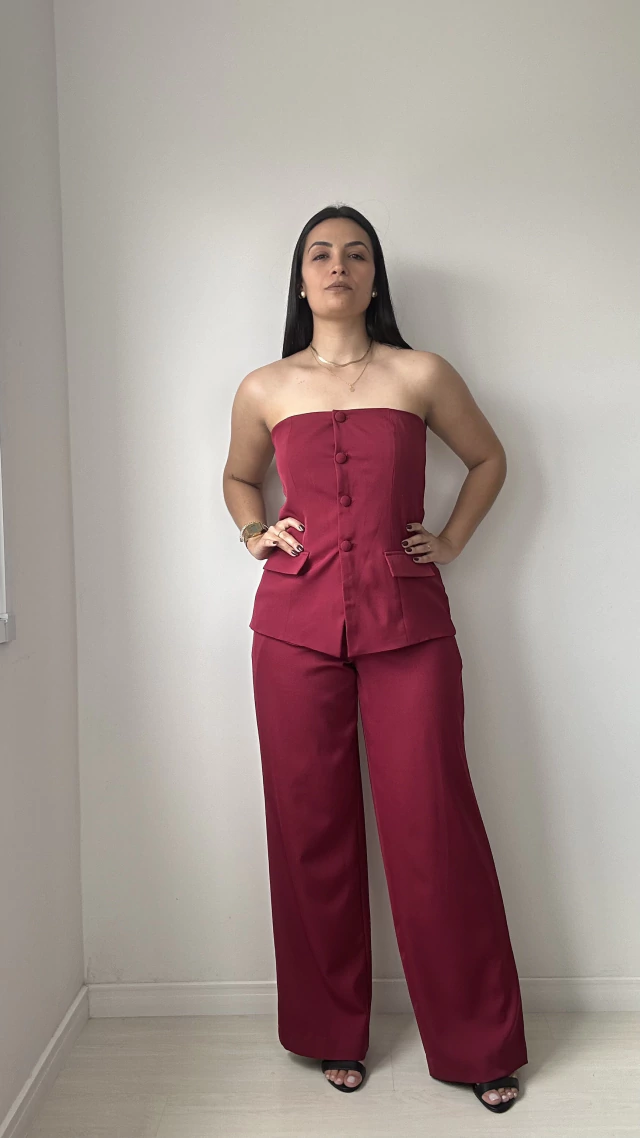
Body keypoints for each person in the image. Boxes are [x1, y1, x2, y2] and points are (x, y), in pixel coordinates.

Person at [222, 204, 527, 1114]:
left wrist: (452, 540)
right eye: (321, 253)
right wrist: (254, 532)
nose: (338, 266)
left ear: (374, 276)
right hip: (292, 626)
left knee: (434, 826)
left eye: (356, 254)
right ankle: (329, 1033)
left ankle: (478, 1043)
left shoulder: (420, 373)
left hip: (409, 623)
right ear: (300, 277)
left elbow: (488, 458)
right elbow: (238, 475)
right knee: (309, 828)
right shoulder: (264, 386)